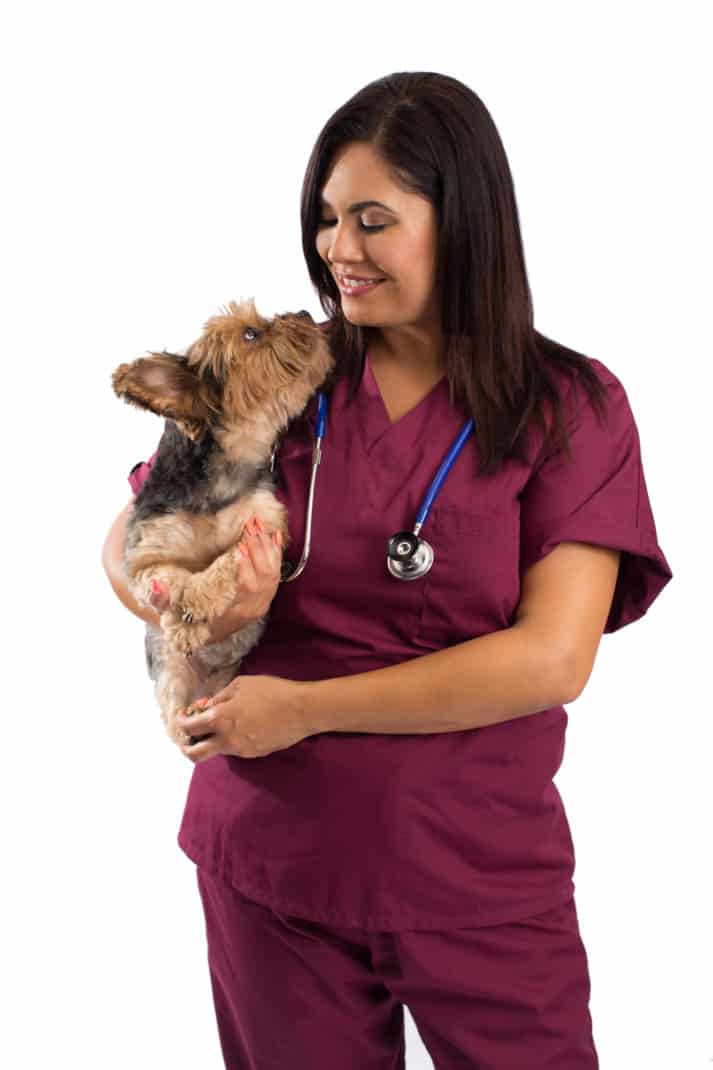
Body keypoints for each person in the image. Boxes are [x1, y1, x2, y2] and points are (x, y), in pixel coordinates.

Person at [102, 71, 673, 1070]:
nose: (337, 249)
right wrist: (177, 602)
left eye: (372, 219)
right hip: (270, 860)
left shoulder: (568, 406)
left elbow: (549, 659)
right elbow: (134, 533)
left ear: (464, 222)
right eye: (325, 218)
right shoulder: (284, 371)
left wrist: (306, 709)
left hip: (472, 873)